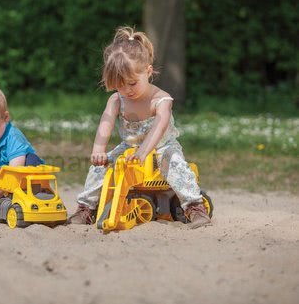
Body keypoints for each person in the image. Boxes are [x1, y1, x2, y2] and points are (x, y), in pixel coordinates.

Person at [68, 26, 211, 229]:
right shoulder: (118, 99)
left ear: (148, 71)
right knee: (101, 167)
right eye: (120, 85)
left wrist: (145, 151)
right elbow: (105, 123)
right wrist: (98, 150)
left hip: (161, 147)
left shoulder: (161, 99)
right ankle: (86, 209)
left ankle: (194, 207)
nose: (127, 90)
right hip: (130, 148)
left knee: (176, 165)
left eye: (132, 83)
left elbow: (160, 127)